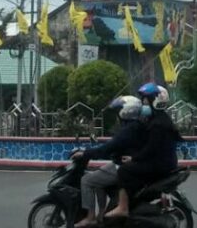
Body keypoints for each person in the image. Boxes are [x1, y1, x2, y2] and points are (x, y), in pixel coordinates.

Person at [105, 83, 183, 219]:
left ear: (155, 101)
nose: (143, 102)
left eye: (146, 99)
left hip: (160, 164)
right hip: (163, 161)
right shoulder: (157, 119)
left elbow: (151, 149)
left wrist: (134, 158)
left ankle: (123, 207)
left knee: (124, 170)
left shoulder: (158, 124)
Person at [70, 96, 145, 227]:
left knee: (86, 180)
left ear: (125, 112)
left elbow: (107, 148)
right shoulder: (135, 126)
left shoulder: (128, 130)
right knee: (98, 179)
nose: (117, 116)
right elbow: (111, 146)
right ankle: (102, 215)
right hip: (123, 164)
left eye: (118, 112)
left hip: (121, 167)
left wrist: (85, 153)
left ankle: (90, 217)